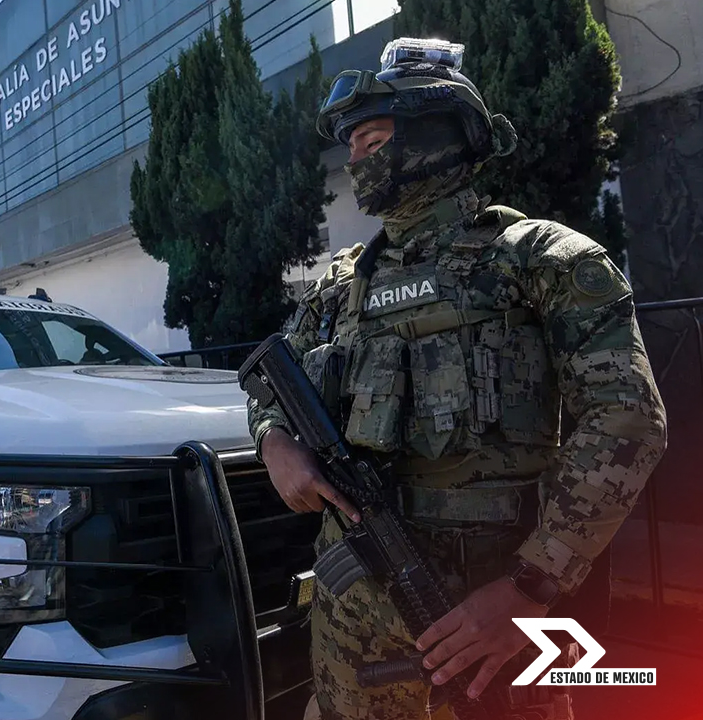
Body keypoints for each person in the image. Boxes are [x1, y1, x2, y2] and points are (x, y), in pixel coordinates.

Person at [247, 37, 667, 720]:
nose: (354, 160)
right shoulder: (340, 285)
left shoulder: (541, 259)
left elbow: (628, 419)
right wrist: (274, 442)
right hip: (354, 613)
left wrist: (530, 587)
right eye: (350, 145)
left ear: (435, 135)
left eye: (372, 139)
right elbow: (269, 385)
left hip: (495, 612)